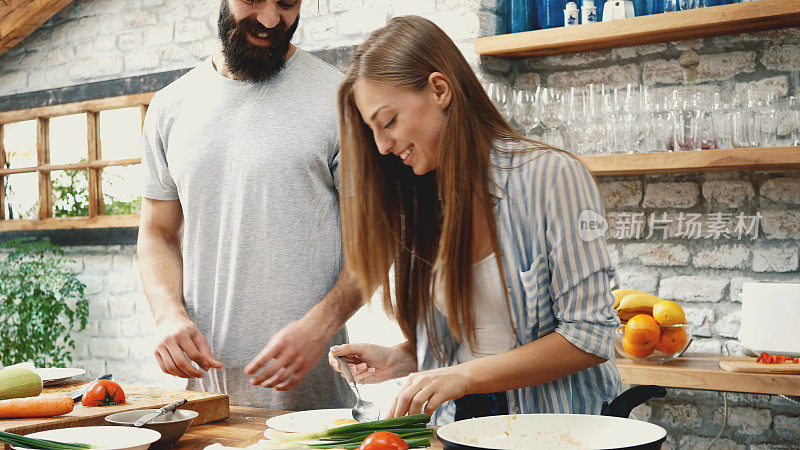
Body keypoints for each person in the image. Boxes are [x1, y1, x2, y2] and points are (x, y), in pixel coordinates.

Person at [328, 15, 622, 424]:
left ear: (439, 90)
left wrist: (464, 377)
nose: (381, 146)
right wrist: (398, 359)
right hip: (460, 428)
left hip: (555, 428)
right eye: (373, 131)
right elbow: (473, 339)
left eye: (389, 122)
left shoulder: (551, 177)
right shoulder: (423, 200)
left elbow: (589, 335)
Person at [138, 0, 362, 410]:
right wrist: (167, 313)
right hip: (207, 407)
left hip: (316, 414)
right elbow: (157, 232)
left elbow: (376, 245)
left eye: (288, 2)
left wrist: (320, 326)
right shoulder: (169, 107)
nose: (271, 19)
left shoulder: (339, 99)